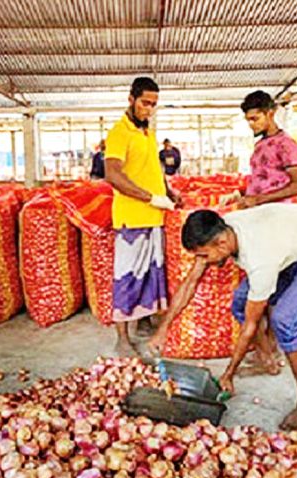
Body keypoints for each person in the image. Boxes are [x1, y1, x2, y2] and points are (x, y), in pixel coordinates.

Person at [147, 204, 297, 430]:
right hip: (292, 245)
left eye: (204, 256)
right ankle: (268, 360)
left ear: (222, 243)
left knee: (285, 320)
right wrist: (163, 329)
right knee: (241, 304)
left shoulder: (260, 260)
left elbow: (250, 325)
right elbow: (190, 282)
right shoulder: (220, 230)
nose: (204, 261)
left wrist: (229, 374)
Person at [104, 77, 178, 357]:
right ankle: (122, 338)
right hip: (132, 218)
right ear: (131, 99)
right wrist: (150, 197)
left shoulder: (147, 132)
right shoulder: (119, 132)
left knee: (151, 274)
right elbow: (113, 174)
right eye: (145, 103)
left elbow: (152, 169)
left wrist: (168, 191)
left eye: (154, 105)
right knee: (127, 276)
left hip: (155, 216)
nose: (149, 109)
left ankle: (144, 320)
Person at [239, 90, 297, 209]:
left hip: (276, 212)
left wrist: (258, 199)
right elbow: (261, 181)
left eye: (255, 119)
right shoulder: (260, 144)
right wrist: (239, 193)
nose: (251, 124)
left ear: (270, 114)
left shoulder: (285, 144)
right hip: (258, 210)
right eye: (248, 120)